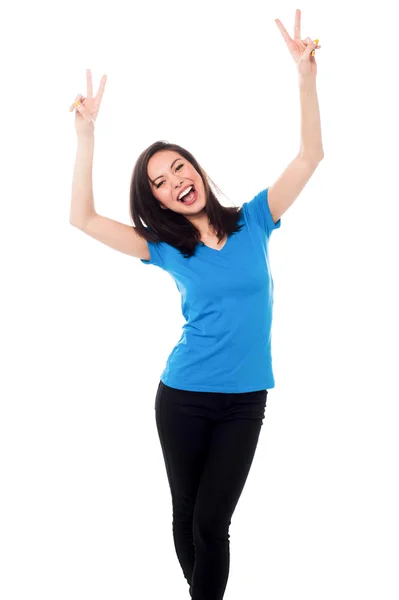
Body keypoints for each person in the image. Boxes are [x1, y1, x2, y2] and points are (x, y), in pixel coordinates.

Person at [69, 13, 323, 599]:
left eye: (178, 166)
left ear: (196, 170)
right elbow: (81, 219)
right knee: (186, 517)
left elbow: (310, 156)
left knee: (213, 522)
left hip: (244, 401)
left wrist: (305, 77)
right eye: (158, 181)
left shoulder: (256, 219)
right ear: (155, 199)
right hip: (181, 397)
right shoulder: (164, 249)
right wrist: (86, 138)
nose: (174, 180)